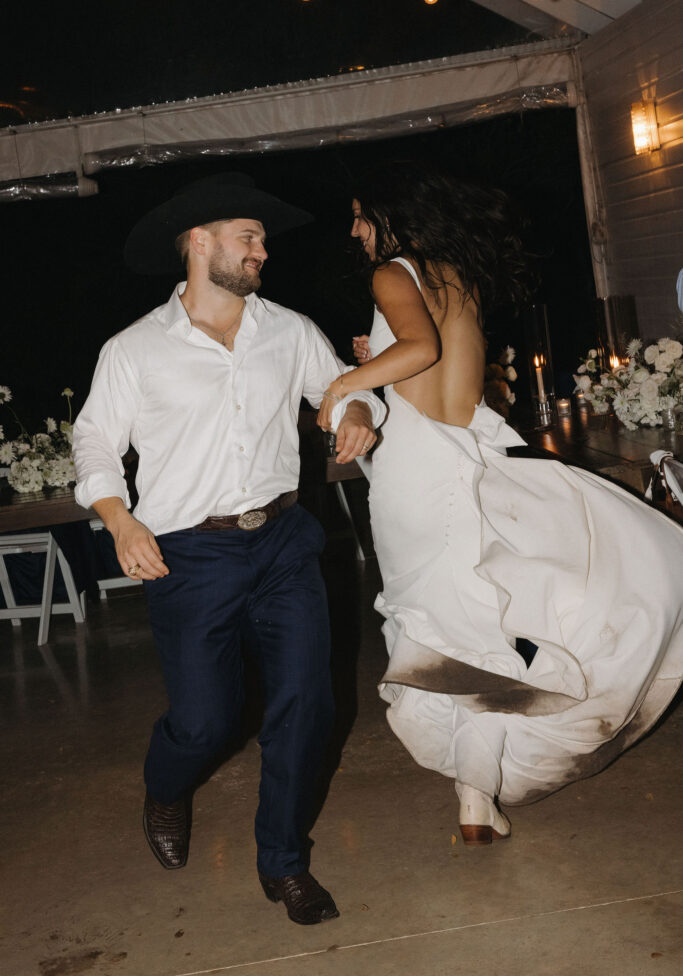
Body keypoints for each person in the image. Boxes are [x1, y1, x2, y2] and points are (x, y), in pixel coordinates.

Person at [317, 162, 683, 846]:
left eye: (361, 215)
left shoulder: (390, 273)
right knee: (473, 630)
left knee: (436, 629)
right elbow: (440, 363)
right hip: (464, 456)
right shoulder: (457, 276)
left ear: (391, 216)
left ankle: (473, 792)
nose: (354, 229)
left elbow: (418, 350)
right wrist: (383, 361)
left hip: (417, 472)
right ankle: (473, 799)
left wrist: (347, 382)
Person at [72, 172, 385, 925]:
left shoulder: (289, 328)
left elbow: (340, 389)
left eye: (261, 240)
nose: (262, 251)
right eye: (248, 237)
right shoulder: (134, 349)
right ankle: (167, 784)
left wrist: (359, 412)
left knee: (306, 705)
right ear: (199, 242)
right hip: (187, 554)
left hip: (281, 539)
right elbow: (94, 441)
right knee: (206, 722)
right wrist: (121, 521)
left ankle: (282, 863)